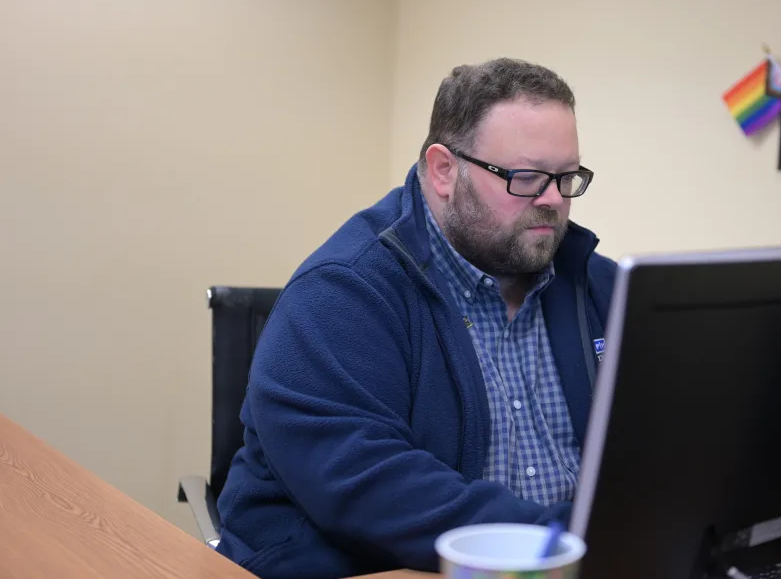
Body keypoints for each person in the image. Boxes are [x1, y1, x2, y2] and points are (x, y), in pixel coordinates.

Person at [215, 58, 617, 579]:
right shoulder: (342, 292)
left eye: (566, 177)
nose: (551, 201)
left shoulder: (597, 286)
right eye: (526, 177)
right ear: (444, 170)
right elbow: (373, 489)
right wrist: (572, 542)